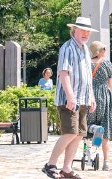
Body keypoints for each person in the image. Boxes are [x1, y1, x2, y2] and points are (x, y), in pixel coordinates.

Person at [41, 16, 97, 179]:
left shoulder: (86, 49)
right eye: (82, 30)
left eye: (88, 31)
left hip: (84, 98)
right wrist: (71, 96)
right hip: (69, 99)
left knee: (79, 134)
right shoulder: (67, 47)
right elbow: (64, 73)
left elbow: (87, 76)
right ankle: (51, 164)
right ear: (74, 30)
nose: (85, 34)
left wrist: (91, 96)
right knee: (70, 132)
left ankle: (67, 168)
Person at [87, 40, 112, 171]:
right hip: (104, 97)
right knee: (106, 129)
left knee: (85, 125)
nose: (105, 51)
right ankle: (106, 162)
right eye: (103, 49)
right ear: (99, 51)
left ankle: (93, 129)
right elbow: (110, 84)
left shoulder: (86, 64)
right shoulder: (106, 64)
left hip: (89, 97)